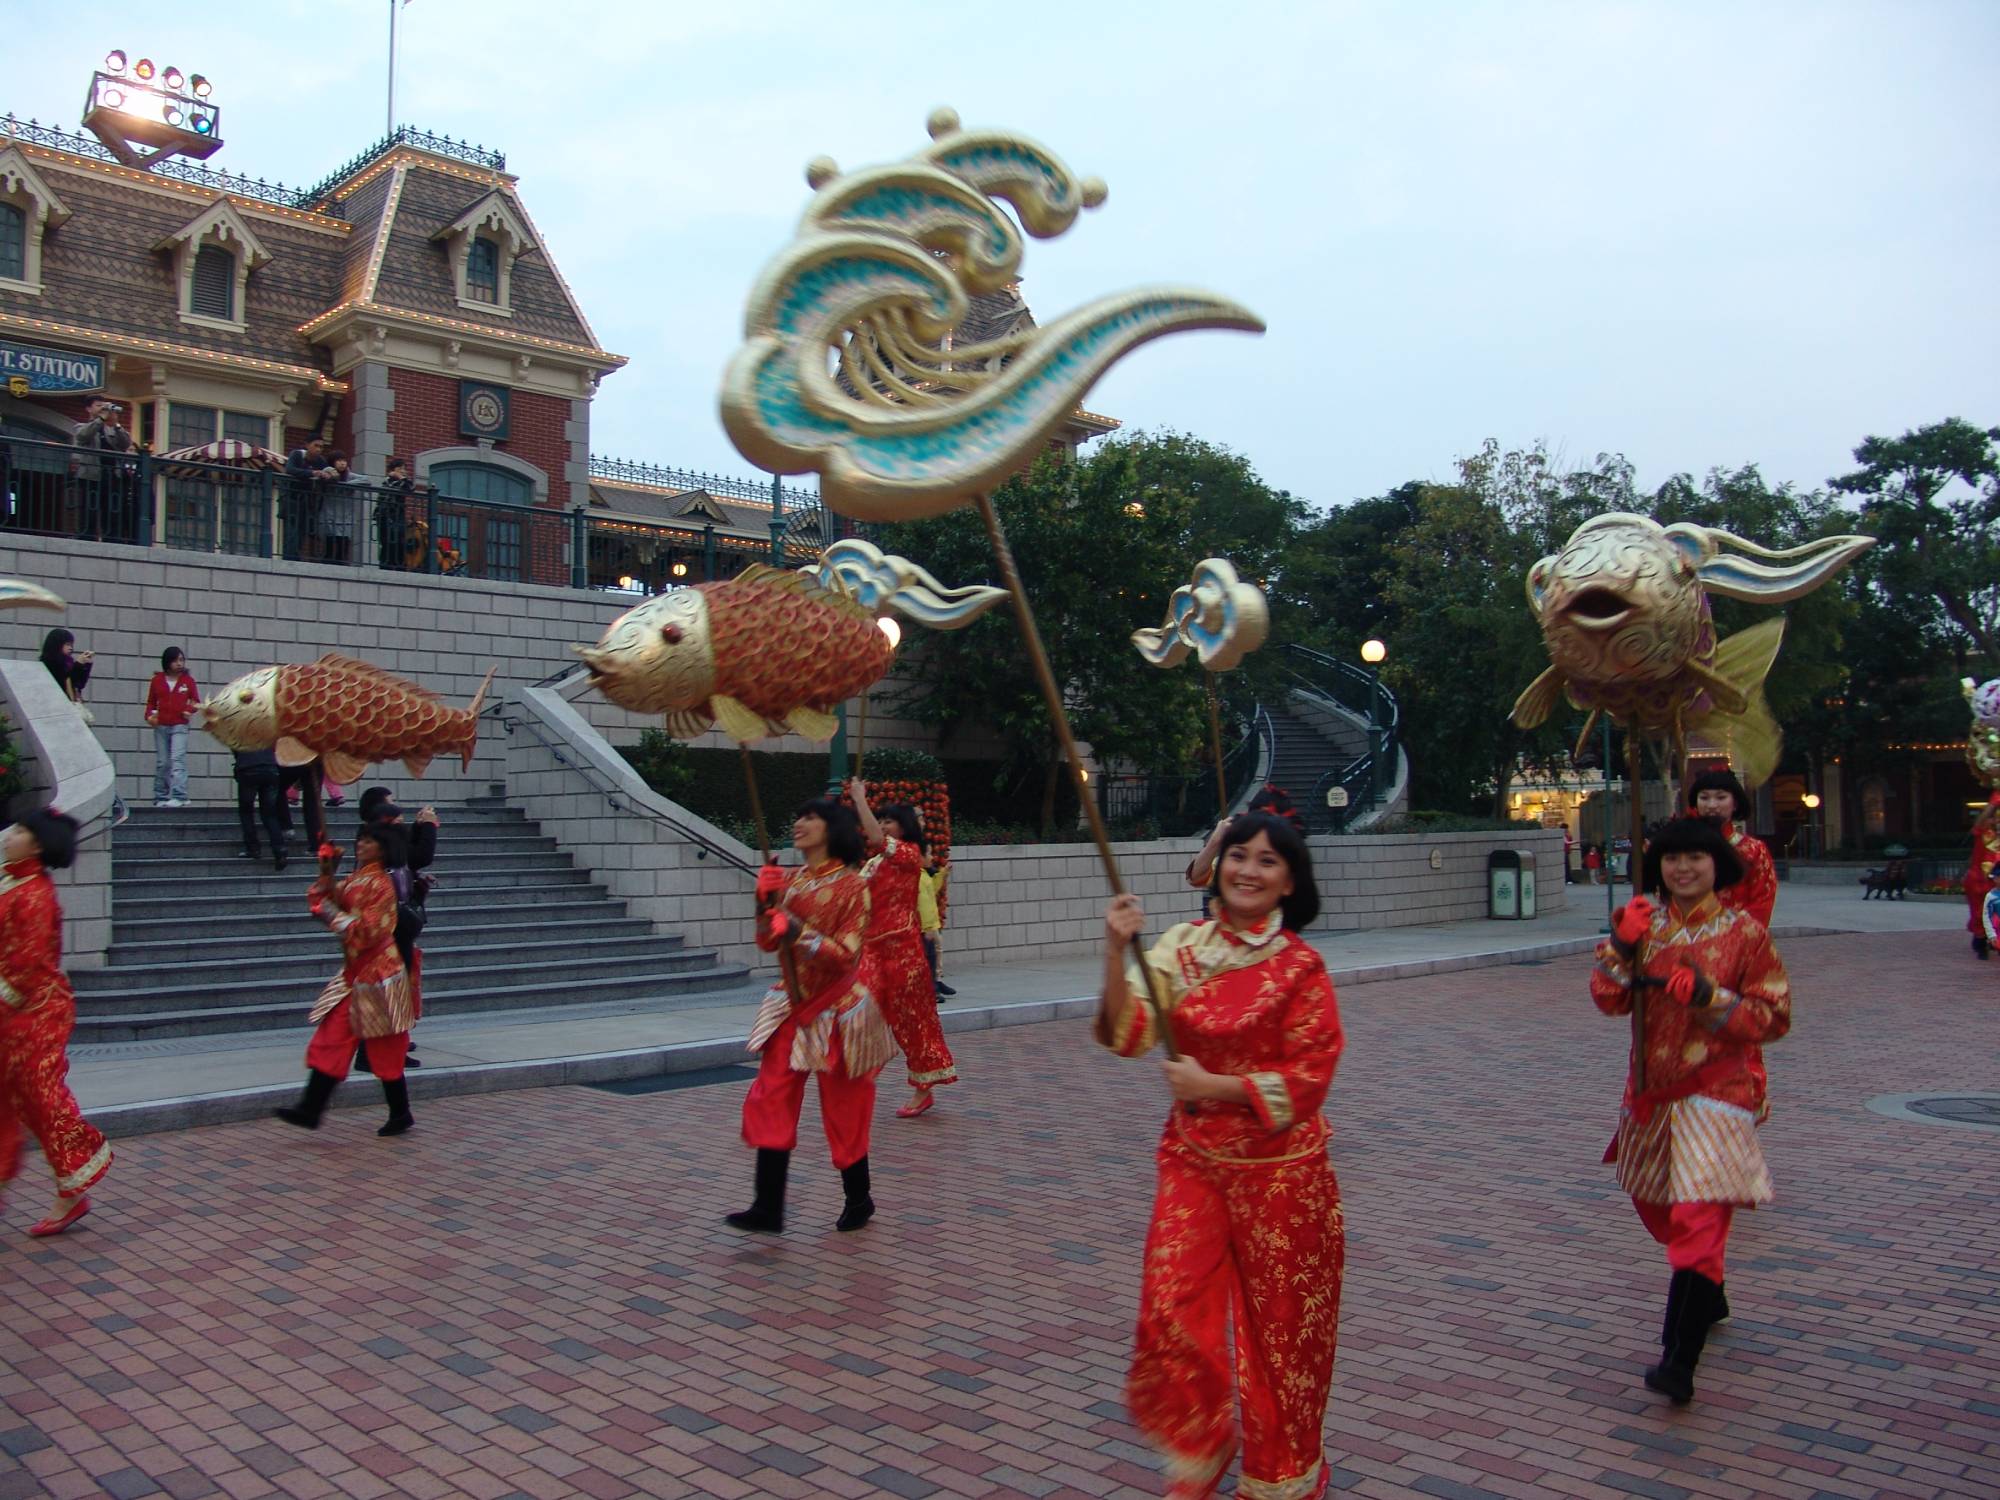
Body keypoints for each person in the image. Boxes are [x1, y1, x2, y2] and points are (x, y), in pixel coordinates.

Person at [1095, 812, 1345, 1500]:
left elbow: (1311, 1074)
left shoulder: (1301, 967)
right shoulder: (1180, 948)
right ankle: (1200, 1447)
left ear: (1290, 881)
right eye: (1239, 855)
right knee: (1170, 1306)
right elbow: (1127, 1032)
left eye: (1268, 861)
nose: (1248, 870)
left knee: (1282, 1337)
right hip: (1195, 1162)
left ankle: (1282, 1476)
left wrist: (1218, 1086)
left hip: (1284, 1177)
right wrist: (1115, 950)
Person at [1592, 814, 1792, 1406]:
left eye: (1695, 858)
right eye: (1672, 858)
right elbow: (1608, 1000)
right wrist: (1623, 946)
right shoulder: (1642, 926)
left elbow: (1774, 1017)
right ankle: (1710, 1286)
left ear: (1716, 866)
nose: (1683, 868)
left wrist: (1713, 998)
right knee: (1661, 1214)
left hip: (1716, 1096)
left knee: (1696, 1229)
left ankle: (1678, 1362)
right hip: (1650, 1099)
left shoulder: (1745, 935)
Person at [727, 797, 893, 1235]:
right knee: (771, 1094)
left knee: (845, 1109)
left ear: (833, 827)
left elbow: (845, 956)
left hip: (839, 1011)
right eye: (798, 815)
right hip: (791, 1007)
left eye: (811, 817)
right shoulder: (792, 881)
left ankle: (859, 1197)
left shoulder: (853, 886)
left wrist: (796, 930)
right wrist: (764, 903)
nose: (800, 823)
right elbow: (767, 943)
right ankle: (767, 1206)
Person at [0, 808, 113, 1236]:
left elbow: (26, 967)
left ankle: (72, 1188)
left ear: (38, 845)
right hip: (11, 1009)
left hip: (37, 1011)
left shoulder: (35, 896)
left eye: (20, 830)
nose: (10, 835)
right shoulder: (13, 880)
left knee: (40, 1098)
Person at [273, 823, 417, 1136]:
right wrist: (327, 871)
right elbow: (327, 901)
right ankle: (310, 1108)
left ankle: (400, 1111)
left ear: (382, 846)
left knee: (386, 1050)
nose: (361, 845)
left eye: (369, 840)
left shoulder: (382, 884)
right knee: (332, 1036)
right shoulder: (357, 878)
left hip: (380, 974)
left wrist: (329, 912)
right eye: (360, 840)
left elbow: (365, 931)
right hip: (356, 974)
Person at [848, 778, 956, 1117]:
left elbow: (878, 840)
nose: (882, 826)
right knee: (859, 1012)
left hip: (903, 953)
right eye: (880, 820)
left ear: (903, 826)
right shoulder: (876, 863)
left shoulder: (909, 854)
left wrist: (859, 799)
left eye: (889, 820)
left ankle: (922, 1089)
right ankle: (859, 1078)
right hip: (872, 950)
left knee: (912, 1022)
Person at [40, 628, 126, 827]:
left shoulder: (68, 663)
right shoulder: (50, 662)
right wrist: (77, 665)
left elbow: (78, 683)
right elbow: (59, 679)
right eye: (67, 643)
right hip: (59, 715)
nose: (70, 647)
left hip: (71, 712)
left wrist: (85, 666)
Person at [1685, 768, 1777, 929]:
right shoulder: (1681, 848)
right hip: (1688, 937)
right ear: (1695, 803)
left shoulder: (1754, 850)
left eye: (1721, 797)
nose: (1712, 805)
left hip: (1739, 938)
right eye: (1704, 798)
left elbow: (1762, 901)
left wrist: (1736, 937)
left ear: (1735, 804)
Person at [144, 646, 200, 808]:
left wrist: (189, 710)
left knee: (177, 759)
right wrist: (148, 716)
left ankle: (179, 795)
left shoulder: (187, 681)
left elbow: (195, 701)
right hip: (161, 725)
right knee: (163, 762)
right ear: (167, 662)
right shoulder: (157, 680)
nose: (179, 664)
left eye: (181, 660)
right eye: (176, 660)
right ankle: (160, 796)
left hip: (179, 725)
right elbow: (151, 702)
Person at [72, 399, 135, 539]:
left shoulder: (112, 430)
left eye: (104, 406)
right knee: (89, 510)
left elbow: (126, 444)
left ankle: (112, 539)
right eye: (99, 405)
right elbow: (82, 436)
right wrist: (101, 419)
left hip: (112, 476)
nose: (103, 408)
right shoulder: (81, 426)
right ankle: (86, 538)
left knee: (112, 511)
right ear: (89, 409)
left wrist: (116, 425)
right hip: (90, 476)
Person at [232, 748, 288, 869]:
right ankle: (280, 850)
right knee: (270, 814)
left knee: (246, 811)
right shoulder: (267, 729)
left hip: (248, 768)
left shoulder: (241, 729)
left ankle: (253, 848)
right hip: (270, 768)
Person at [283, 437, 336, 561]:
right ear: (307, 445)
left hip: (307, 504)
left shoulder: (321, 461)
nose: (318, 449)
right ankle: (290, 559)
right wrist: (312, 473)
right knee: (292, 534)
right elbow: (290, 470)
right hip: (292, 501)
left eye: (321, 447)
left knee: (301, 534)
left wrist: (328, 476)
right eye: (316, 445)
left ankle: (295, 558)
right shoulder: (297, 454)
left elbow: (333, 474)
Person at [1967, 793, 2000, 960]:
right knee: (1981, 914)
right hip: (1980, 881)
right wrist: (1994, 802)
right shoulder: (1983, 832)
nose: (1995, 821)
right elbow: (1981, 821)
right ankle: (1981, 942)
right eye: (1993, 818)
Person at [919, 851, 954, 998]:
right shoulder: (917, 877)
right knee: (929, 955)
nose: (931, 857)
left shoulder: (924, 875)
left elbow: (932, 891)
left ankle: (936, 982)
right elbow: (919, 904)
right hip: (925, 926)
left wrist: (942, 875)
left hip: (931, 924)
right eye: (927, 854)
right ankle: (932, 986)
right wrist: (926, 926)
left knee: (936, 952)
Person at [375, 458, 419, 571]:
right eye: (400, 469)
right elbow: (383, 499)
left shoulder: (403, 482)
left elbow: (410, 488)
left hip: (398, 518)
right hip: (386, 518)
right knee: (387, 543)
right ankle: (386, 566)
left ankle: (399, 567)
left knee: (400, 542)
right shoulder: (387, 481)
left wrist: (401, 477)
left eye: (404, 469)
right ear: (393, 470)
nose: (403, 471)